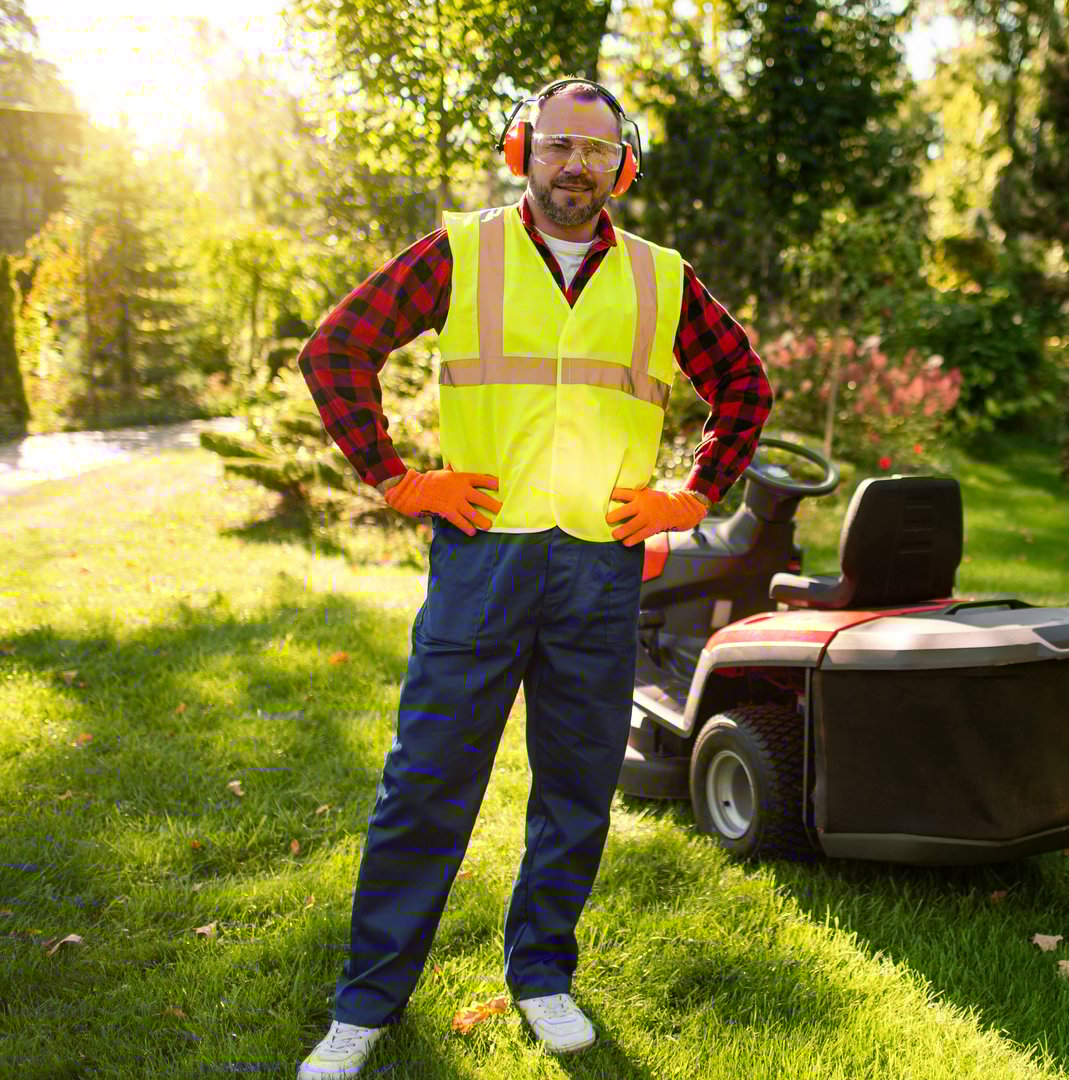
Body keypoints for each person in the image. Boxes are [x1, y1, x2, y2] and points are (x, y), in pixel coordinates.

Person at [294, 77, 772, 1077]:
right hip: (484, 560)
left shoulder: (661, 277)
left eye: (595, 151)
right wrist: (395, 479)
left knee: (576, 784)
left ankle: (542, 974)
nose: (575, 165)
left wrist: (692, 496)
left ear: (623, 164)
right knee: (425, 784)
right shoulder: (459, 254)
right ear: (524, 152)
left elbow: (745, 385)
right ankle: (366, 1006)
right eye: (558, 145)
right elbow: (336, 349)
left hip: (600, 568)